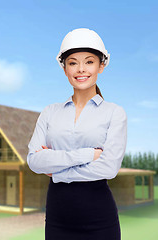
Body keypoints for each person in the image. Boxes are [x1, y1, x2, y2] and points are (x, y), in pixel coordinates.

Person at [27, 28, 127, 240]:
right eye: (73, 62)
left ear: (101, 65)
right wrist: (89, 154)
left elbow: (109, 167)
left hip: (100, 220)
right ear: (64, 69)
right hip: (57, 218)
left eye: (89, 62)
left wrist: (58, 172)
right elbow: (35, 160)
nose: (81, 69)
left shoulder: (114, 113)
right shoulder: (49, 112)